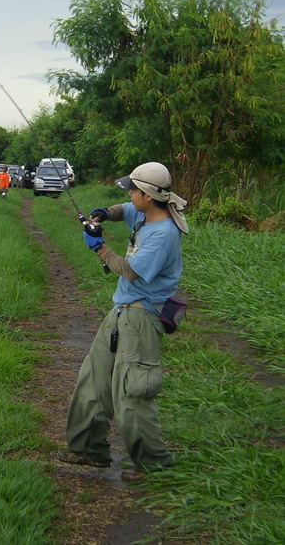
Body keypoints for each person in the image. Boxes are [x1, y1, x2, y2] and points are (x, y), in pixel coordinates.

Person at [59, 162, 189, 482]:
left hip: (142, 316)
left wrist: (99, 247)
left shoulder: (163, 234)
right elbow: (124, 210)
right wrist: (104, 212)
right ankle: (89, 449)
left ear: (148, 195)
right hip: (121, 311)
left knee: (133, 391)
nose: (129, 194)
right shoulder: (145, 213)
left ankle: (154, 467)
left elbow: (128, 271)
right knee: (95, 378)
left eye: (133, 189)